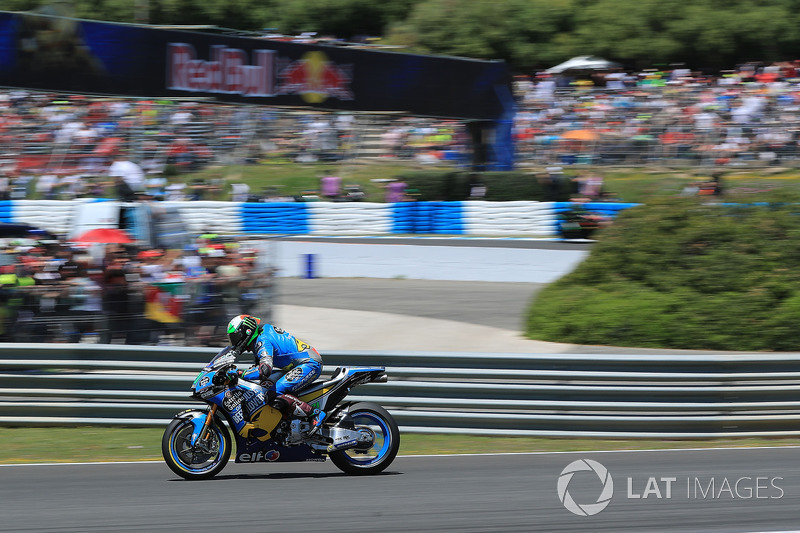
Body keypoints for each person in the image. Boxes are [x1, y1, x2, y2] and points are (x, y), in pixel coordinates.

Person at [225, 314, 325, 435]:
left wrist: (241, 374)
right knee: (267, 387)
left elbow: (265, 370)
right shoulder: (261, 335)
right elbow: (261, 369)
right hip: (300, 364)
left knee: (276, 392)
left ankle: (315, 414)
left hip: (309, 363)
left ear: (247, 331)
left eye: (235, 337)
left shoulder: (262, 340)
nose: (234, 342)